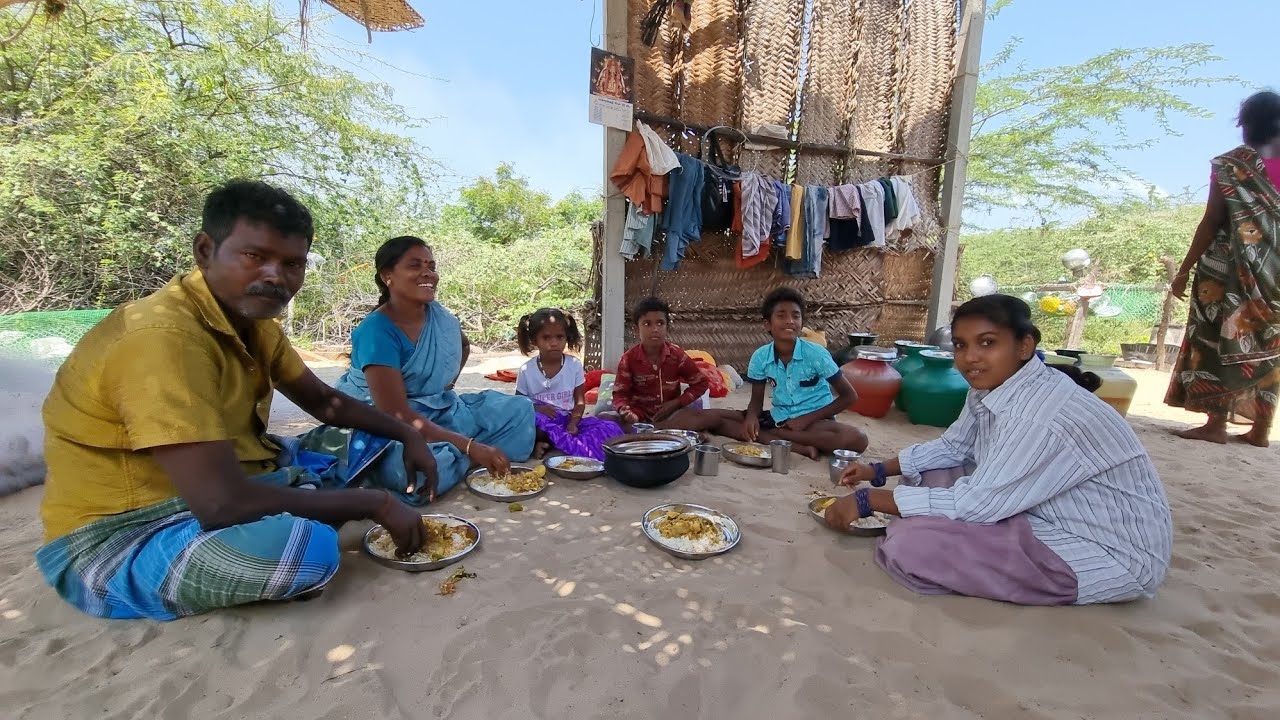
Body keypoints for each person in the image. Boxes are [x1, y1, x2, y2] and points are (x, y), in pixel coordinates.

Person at [37, 180, 439, 620]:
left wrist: (407, 431)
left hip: (241, 477)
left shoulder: (255, 320)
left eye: (292, 263)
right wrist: (375, 504)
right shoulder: (161, 338)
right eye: (255, 256)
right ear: (206, 250)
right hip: (129, 531)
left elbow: (325, 402)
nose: (275, 276)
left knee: (373, 443)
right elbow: (220, 504)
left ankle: (305, 498)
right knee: (307, 550)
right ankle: (303, 514)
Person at [826, 295, 1172, 606]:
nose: (969, 358)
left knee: (911, 547)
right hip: (1040, 509)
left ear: (1024, 346)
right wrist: (877, 471)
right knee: (932, 475)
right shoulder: (994, 387)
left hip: (1101, 550)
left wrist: (867, 500)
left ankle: (938, 534)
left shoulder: (1038, 413)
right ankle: (935, 524)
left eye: (987, 343)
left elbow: (975, 503)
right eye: (961, 345)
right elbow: (955, 446)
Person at [300, 236, 535, 500]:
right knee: (414, 471)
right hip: (385, 424)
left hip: (440, 409)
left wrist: (447, 386)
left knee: (520, 410)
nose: (428, 273)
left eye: (431, 266)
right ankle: (469, 458)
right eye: (415, 265)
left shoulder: (441, 317)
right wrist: (470, 447)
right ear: (387, 275)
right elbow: (396, 414)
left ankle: (462, 456)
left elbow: (463, 346)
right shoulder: (376, 332)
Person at [1166, 91, 1280, 448]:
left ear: (1245, 125)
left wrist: (1183, 270)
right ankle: (1260, 428)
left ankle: (1215, 424)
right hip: (1275, 271)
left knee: (1217, 337)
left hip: (1228, 269)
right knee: (1270, 342)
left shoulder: (1232, 165)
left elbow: (1213, 219)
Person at [705, 288, 867, 459]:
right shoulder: (760, 357)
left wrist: (805, 420)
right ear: (767, 324)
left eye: (796, 316)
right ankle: (798, 447)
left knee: (858, 439)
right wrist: (752, 417)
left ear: (802, 323)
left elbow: (850, 396)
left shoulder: (816, 354)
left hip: (817, 423)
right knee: (714, 418)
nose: (790, 321)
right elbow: (756, 401)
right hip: (778, 418)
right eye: (781, 316)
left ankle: (779, 437)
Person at [515, 308, 624, 460]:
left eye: (559, 337)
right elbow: (518, 404)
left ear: (566, 338)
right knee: (529, 426)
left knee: (609, 424)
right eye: (546, 338)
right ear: (534, 340)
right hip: (541, 422)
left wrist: (573, 423)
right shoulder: (527, 370)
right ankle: (536, 444)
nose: (554, 343)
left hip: (567, 420)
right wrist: (538, 408)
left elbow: (580, 402)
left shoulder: (574, 365)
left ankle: (549, 443)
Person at [606, 296, 714, 430]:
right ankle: (653, 430)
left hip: (671, 414)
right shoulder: (629, 359)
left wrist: (676, 403)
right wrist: (625, 410)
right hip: (638, 416)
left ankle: (653, 431)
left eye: (660, 323)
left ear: (667, 327)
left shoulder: (677, 355)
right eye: (647, 324)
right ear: (636, 329)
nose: (655, 329)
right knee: (605, 419)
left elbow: (701, 383)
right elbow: (620, 394)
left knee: (698, 417)